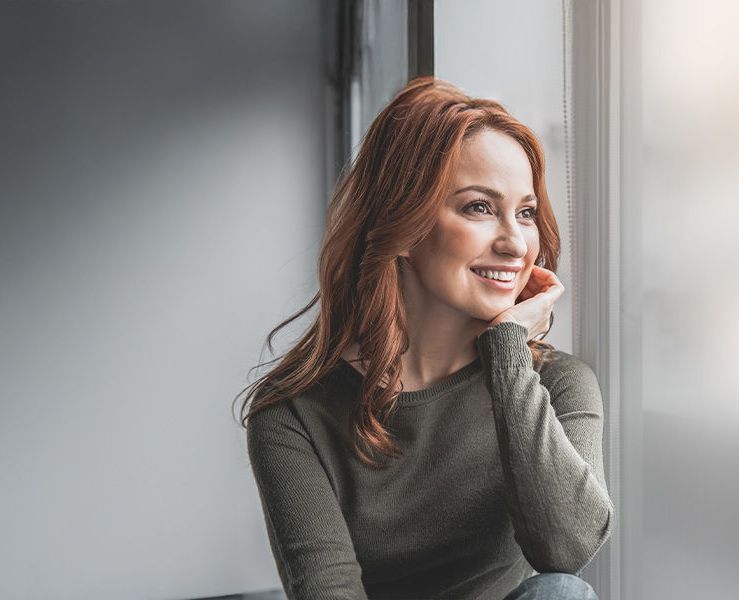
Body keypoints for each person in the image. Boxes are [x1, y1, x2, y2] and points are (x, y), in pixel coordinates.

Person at [237, 77, 609, 600]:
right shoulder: (294, 414)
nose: (514, 242)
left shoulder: (558, 384)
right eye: (479, 207)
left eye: (525, 213)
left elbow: (565, 550)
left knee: (561, 593)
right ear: (404, 221)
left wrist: (507, 356)